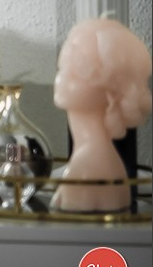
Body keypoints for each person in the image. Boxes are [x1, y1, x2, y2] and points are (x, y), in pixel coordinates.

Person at [50, 18, 152, 213]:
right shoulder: (96, 158)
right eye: (62, 67)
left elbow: (77, 232)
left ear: (112, 90)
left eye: (76, 71)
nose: (60, 78)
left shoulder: (87, 168)